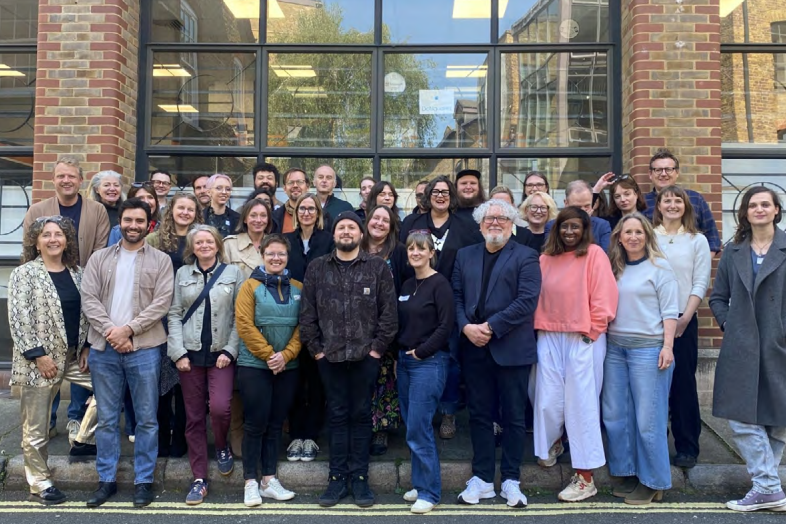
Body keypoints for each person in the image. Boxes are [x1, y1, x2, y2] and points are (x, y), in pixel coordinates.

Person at [299, 211, 398, 508]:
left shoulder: (378, 268)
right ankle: (336, 479)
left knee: (361, 415)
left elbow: (389, 314)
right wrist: (317, 350)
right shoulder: (317, 268)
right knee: (338, 416)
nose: (346, 231)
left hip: (366, 358)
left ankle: (360, 479)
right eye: (341, 227)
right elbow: (307, 315)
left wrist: (376, 351)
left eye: (351, 227)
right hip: (329, 358)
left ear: (360, 234)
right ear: (334, 233)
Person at [81, 198, 175, 508]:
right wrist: (113, 331)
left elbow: (162, 303)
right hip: (104, 349)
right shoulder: (99, 258)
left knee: (147, 420)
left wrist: (129, 330)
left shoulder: (161, 260)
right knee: (107, 420)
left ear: (149, 224)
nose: (133, 225)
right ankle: (106, 480)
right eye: (128, 220)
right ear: (119, 222)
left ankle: (143, 481)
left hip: (145, 349)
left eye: (139, 221)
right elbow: (89, 299)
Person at [453, 199, 541, 508]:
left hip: (511, 347)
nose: (495, 223)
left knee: (514, 416)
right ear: (479, 225)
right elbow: (457, 296)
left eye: (502, 218)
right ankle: (482, 479)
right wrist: (466, 327)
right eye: (489, 218)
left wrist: (490, 326)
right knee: (479, 415)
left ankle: (511, 480)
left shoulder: (527, 256)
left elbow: (527, 300)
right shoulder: (466, 255)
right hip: (474, 347)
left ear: (512, 224)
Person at [9, 216, 98, 504]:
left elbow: (85, 315)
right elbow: (20, 320)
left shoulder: (78, 273)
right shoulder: (24, 274)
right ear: (35, 241)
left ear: (66, 240)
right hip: (39, 362)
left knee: (110, 391)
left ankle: (82, 440)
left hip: (73, 357)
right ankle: (40, 482)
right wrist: (39, 356)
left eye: (58, 234)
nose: (52, 239)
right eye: (46, 235)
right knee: (35, 429)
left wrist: (85, 348)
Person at [24, 157, 110, 447]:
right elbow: (28, 248)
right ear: (54, 179)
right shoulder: (37, 210)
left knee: (77, 358)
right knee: (46, 362)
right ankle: (45, 423)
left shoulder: (96, 210)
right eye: (61, 176)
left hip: (81, 287)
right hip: (44, 290)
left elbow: (100, 250)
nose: (66, 181)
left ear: (80, 180)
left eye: (71, 176)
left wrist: (85, 279)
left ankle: (76, 418)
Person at [533, 207, 618, 502]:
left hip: (583, 336)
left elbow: (606, 296)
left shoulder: (594, 254)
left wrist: (593, 330)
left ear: (584, 229)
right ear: (556, 229)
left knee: (582, 404)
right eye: (564, 226)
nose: (569, 232)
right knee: (547, 400)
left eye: (575, 227)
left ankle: (585, 476)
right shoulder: (545, 259)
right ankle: (553, 444)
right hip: (548, 334)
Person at [709, 186, 786, 512]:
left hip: (778, 345)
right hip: (740, 346)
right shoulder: (734, 251)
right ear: (744, 213)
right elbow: (717, 297)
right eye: (752, 205)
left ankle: (765, 487)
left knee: (778, 420)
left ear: (776, 210)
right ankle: (768, 487)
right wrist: (730, 325)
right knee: (741, 418)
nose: (759, 209)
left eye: (765, 204)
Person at [399, 175, 483, 440]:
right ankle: (419, 417)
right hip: (418, 299)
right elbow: (405, 259)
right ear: (428, 195)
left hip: (453, 298)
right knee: (418, 354)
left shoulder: (466, 225)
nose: (441, 195)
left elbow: (472, 263)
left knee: (452, 360)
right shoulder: (413, 223)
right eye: (436, 191)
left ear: (452, 196)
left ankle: (448, 412)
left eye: (446, 191)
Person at [603, 213, 678, 506]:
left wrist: (668, 347)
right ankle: (629, 472)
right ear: (619, 237)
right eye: (628, 232)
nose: (633, 237)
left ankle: (654, 481)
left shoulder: (660, 268)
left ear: (647, 236)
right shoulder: (614, 268)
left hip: (649, 349)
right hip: (615, 349)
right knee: (616, 415)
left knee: (648, 419)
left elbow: (670, 311)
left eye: (639, 232)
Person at [168, 225, 244, 505]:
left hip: (220, 354)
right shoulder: (182, 274)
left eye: (208, 241)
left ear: (217, 244)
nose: (203, 245)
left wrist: (231, 350)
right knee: (194, 417)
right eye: (198, 242)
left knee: (222, 408)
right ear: (192, 247)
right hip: (189, 355)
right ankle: (199, 478)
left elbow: (240, 316)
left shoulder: (233, 273)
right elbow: (174, 313)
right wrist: (177, 352)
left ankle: (222, 445)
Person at [236, 234, 302, 506]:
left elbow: (303, 325)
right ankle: (250, 482)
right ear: (262, 256)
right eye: (271, 254)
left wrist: (285, 355)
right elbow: (244, 325)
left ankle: (269, 481)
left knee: (276, 425)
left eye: (281, 254)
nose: (276, 258)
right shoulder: (249, 287)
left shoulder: (299, 287)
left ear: (288, 257)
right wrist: (270, 355)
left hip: (289, 365)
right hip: (255, 366)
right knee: (255, 424)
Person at [653, 185, 711, 470]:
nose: (672, 205)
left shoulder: (696, 240)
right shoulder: (649, 236)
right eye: (667, 200)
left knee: (683, 384)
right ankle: (655, 446)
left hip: (683, 318)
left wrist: (686, 317)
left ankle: (687, 446)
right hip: (650, 320)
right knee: (652, 386)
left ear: (686, 206)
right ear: (659, 205)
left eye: (678, 200)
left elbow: (700, 281)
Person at [397, 232, 455, 514]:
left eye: (421, 248)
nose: (415, 252)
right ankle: (420, 484)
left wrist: (422, 352)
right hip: (405, 363)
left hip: (429, 363)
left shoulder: (439, 284)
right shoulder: (408, 283)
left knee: (420, 428)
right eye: (411, 248)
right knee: (412, 425)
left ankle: (430, 492)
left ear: (431, 252)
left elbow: (446, 326)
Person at [146, 192, 204, 458]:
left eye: (190, 209)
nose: (185, 213)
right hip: (158, 318)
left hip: (191, 318)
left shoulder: (201, 239)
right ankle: (160, 439)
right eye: (181, 208)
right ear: (171, 211)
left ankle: (181, 439)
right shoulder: (154, 240)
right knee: (160, 384)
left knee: (185, 383)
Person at [285, 193, 334, 463]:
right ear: (295, 212)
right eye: (302, 208)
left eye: (311, 208)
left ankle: (312, 436)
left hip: (320, 321)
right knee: (293, 380)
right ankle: (295, 435)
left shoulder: (328, 240)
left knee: (316, 380)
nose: (306, 212)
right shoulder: (287, 241)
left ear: (318, 213)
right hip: (289, 319)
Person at [361, 205, 412, 456]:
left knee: (382, 378)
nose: (379, 223)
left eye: (385, 220)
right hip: (355, 326)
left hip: (387, 325)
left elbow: (406, 288)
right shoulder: (354, 247)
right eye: (375, 218)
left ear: (391, 226)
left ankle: (380, 428)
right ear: (367, 221)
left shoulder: (399, 252)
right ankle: (360, 427)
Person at [643, 148, 721, 254]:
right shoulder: (642, 202)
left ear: (677, 173)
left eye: (668, 169)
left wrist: (700, 264)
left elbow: (713, 240)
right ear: (650, 174)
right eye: (658, 170)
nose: (664, 174)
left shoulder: (695, 199)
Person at [544, 180, 611, 252]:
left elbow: (605, 256)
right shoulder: (552, 226)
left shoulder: (602, 226)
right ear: (566, 203)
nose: (583, 211)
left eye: (587, 206)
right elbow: (552, 253)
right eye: (577, 208)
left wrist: (585, 223)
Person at [224, 198, 274, 279]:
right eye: (253, 215)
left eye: (263, 215)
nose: (258, 220)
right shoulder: (230, 244)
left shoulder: (274, 244)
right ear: (245, 219)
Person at [272, 168, 309, 234]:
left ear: (307, 187)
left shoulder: (322, 217)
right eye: (290, 182)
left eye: (300, 182)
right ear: (285, 189)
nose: (295, 185)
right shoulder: (274, 218)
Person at [204, 174, 240, 238]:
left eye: (228, 189)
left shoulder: (238, 218)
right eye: (219, 188)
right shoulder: (199, 217)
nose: (224, 192)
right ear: (209, 192)